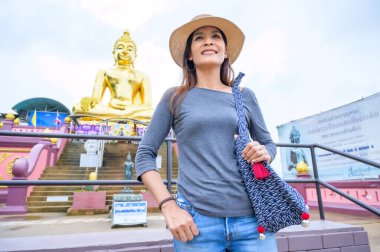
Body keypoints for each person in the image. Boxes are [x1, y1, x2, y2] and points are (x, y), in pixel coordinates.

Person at [135, 14, 278, 251]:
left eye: (216, 37)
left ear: (226, 51)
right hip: (196, 222)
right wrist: (168, 206)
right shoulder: (175, 97)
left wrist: (263, 152)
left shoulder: (244, 95)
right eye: (199, 38)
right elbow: (144, 154)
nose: (208, 41)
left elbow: (268, 144)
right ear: (189, 54)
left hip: (254, 220)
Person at [72, 31, 154, 122]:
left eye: (130, 49)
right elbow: (96, 99)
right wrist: (88, 100)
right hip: (111, 109)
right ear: (114, 53)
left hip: (132, 110)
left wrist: (129, 110)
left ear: (135, 56)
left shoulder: (143, 76)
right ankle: (123, 117)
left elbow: (147, 105)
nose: (125, 51)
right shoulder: (104, 72)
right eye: (120, 48)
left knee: (153, 113)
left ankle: (118, 117)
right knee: (78, 107)